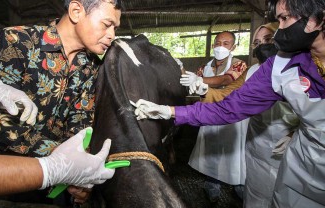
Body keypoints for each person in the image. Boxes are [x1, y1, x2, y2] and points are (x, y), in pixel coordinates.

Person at [134, 0, 325, 207]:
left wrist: (202, 86)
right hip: (304, 163)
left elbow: (226, 81)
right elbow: (229, 106)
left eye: (285, 18)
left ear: (318, 17)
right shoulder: (280, 66)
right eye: (278, 20)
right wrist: (169, 111)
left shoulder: (239, 65)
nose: (280, 30)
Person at [0, 1, 115, 207]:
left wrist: (82, 168)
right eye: (107, 24)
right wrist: (64, 163)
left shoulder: (91, 65)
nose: (112, 35)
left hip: (58, 183)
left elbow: (81, 119)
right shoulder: (16, 41)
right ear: (76, 12)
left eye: (115, 28)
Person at [179, 31, 248, 202]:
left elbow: (226, 79)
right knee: (212, 151)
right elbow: (193, 86)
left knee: (235, 153)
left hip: (233, 115)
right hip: (210, 113)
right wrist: (181, 71)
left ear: (234, 47)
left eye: (226, 43)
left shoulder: (239, 65)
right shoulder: (204, 68)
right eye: (218, 43)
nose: (221, 47)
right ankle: (212, 186)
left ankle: (239, 186)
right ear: (213, 45)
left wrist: (200, 80)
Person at [244, 22, 299, 208]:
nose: (262, 47)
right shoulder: (253, 72)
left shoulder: (300, 70)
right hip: (257, 145)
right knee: (255, 194)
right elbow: (232, 99)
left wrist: (297, 133)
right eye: (257, 43)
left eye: (268, 40)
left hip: (288, 148)